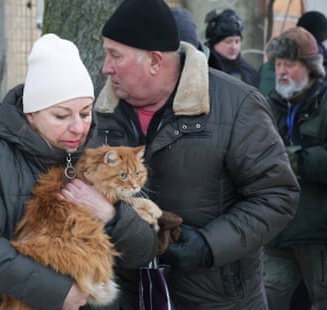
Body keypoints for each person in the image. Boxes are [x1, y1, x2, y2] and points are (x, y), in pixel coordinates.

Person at [94, 0, 300, 308]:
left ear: (154, 61)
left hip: (218, 299)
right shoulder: (100, 112)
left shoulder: (237, 105)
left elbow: (277, 195)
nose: (105, 67)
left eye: (115, 55)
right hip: (127, 296)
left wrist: (208, 245)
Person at [0, 33, 159, 309]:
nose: (77, 127)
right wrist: (57, 292)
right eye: (61, 116)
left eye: (85, 113)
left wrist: (112, 215)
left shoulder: (98, 157)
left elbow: (143, 251)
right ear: (31, 114)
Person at [263, 26, 327, 310]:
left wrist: (298, 160)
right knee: (264, 300)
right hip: (277, 230)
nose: (282, 72)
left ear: (311, 68)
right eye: (278, 64)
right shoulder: (268, 105)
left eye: (290, 64)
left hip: (318, 233)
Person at [204, 8, 259, 87]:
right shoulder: (203, 68)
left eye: (237, 41)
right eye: (228, 41)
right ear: (214, 43)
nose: (234, 47)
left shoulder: (248, 72)